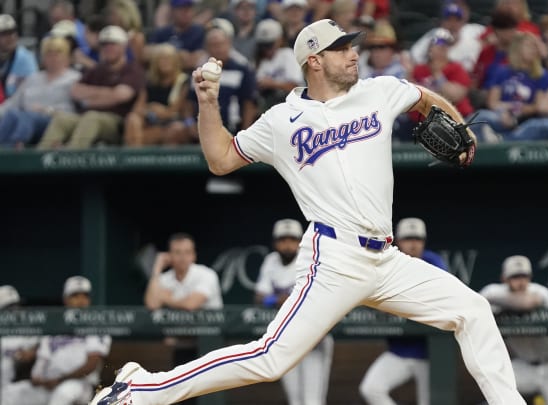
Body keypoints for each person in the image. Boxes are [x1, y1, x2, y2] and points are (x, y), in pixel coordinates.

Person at [90, 18, 524, 405]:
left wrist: (462, 134)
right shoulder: (282, 120)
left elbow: (422, 97)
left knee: (473, 311)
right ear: (314, 60)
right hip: (334, 258)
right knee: (270, 358)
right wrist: (207, 104)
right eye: (343, 48)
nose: (355, 53)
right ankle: (140, 389)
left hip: (387, 259)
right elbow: (221, 159)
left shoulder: (378, 91)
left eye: (354, 46)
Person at [359, 217, 447, 405]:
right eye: (408, 239)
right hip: (399, 351)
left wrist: (396, 303)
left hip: (431, 351)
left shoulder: (433, 261)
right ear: (398, 241)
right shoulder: (386, 263)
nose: (413, 244)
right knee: (371, 389)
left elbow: (441, 293)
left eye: (417, 239)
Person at [255, 219, 334, 405]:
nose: (288, 244)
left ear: (300, 241)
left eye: (292, 239)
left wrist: (283, 298)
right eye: (283, 239)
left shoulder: (312, 260)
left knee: (312, 401)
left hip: (313, 338)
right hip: (285, 338)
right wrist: (274, 299)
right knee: (295, 401)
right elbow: (259, 297)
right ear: (275, 243)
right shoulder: (271, 261)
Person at [2, 276, 112, 405]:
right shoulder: (56, 326)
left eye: (85, 296)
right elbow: (43, 358)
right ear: (66, 299)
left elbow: (92, 363)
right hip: (48, 384)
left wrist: (59, 380)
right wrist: (37, 377)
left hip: (78, 384)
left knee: (62, 395)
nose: (81, 300)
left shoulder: (96, 325)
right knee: (9, 394)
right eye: (75, 296)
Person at [479, 255, 548, 405]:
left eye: (524, 276)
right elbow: (480, 299)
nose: (521, 282)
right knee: (495, 394)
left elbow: (526, 303)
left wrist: (501, 304)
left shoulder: (540, 292)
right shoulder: (495, 291)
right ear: (504, 279)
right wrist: (502, 301)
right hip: (523, 366)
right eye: (515, 277)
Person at [143, 232, 223, 405]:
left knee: (208, 395)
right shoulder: (165, 278)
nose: (182, 257)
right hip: (182, 344)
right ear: (170, 256)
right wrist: (156, 268)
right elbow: (151, 303)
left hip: (210, 344)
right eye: (177, 252)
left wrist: (165, 298)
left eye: (187, 252)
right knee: (183, 395)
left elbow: (191, 304)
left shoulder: (206, 274)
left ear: (193, 255)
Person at [36, 25, 145, 149]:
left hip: (116, 122)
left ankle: (71, 157)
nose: (108, 48)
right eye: (105, 44)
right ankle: (38, 159)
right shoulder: (98, 69)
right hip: (85, 118)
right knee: (62, 119)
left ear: (123, 46)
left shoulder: (132, 70)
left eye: (113, 44)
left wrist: (90, 100)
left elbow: (122, 95)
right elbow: (75, 90)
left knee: (91, 117)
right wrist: (109, 94)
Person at [0, 36, 80, 148]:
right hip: (25, 118)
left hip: (53, 121)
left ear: (66, 57)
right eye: (49, 54)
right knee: (11, 114)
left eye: (57, 53)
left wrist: (47, 110)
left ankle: (15, 147)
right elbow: (12, 103)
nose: (53, 58)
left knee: (25, 118)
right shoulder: (33, 78)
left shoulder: (74, 79)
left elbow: (74, 112)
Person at [0, 285, 39, 388]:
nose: (16, 310)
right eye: (9, 307)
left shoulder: (30, 328)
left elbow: (35, 352)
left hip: (21, 379)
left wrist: (31, 353)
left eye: (17, 305)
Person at [0, 14, 38, 101]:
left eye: (13, 32)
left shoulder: (25, 58)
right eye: (5, 33)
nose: (11, 37)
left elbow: (31, 91)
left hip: (16, 106)